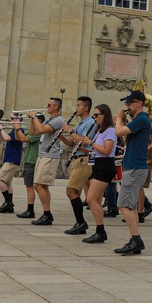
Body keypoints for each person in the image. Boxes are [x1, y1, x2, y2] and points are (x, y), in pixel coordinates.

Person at [113, 89, 152, 255]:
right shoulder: (138, 120)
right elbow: (125, 138)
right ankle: (133, 239)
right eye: (126, 103)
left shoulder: (142, 118)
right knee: (132, 206)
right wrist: (123, 122)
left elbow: (118, 132)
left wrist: (119, 120)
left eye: (130, 102)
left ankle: (136, 239)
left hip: (135, 167)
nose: (127, 105)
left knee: (123, 204)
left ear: (139, 103)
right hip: (133, 166)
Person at [58, 96, 96, 235]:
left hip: (84, 160)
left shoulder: (90, 123)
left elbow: (83, 142)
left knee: (71, 191)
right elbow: (73, 144)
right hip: (77, 159)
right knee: (75, 192)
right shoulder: (81, 123)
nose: (76, 108)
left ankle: (81, 223)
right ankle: (79, 223)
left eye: (78, 105)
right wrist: (62, 137)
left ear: (86, 108)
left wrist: (70, 131)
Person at [27, 97, 66, 225]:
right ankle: (46, 213)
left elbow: (43, 130)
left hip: (50, 155)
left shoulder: (58, 120)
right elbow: (33, 132)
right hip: (43, 154)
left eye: (49, 105)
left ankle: (47, 214)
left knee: (38, 185)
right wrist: (32, 120)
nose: (47, 106)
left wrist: (34, 117)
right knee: (42, 185)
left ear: (56, 107)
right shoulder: (49, 119)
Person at [82, 104, 117, 244]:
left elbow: (107, 150)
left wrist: (90, 142)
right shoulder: (99, 131)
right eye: (94, 115)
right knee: (95, 200)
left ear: (105, 116)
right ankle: (99, 231)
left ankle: (100, 231)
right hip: (98, 164)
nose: (95, 118)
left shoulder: (110, 130)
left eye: (97, 115)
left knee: (91, 199)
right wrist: (85, 149)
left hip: (105, 166)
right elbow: (97, 150)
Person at [14, 114, 42, 219]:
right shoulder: (34, 131)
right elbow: (18, 138)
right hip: (28, 160)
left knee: (30, 187)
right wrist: (17, 129)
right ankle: (29, 209)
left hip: (32, 161)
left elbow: (24, 139)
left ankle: (30, 210)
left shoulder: (39, 132)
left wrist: (18, 128)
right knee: (28, 186)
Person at [0, 116, 23, 213]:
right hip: (10, 159)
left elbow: (7, 138)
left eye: (15, 119)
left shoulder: (19, 130)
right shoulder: (13, 130)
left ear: (20, 121)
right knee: (7, 183)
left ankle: (8, 202)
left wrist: (2, 129)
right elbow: (2, 139)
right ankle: (9, 205)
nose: (12, 121)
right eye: (11, 119)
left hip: (12, 159)